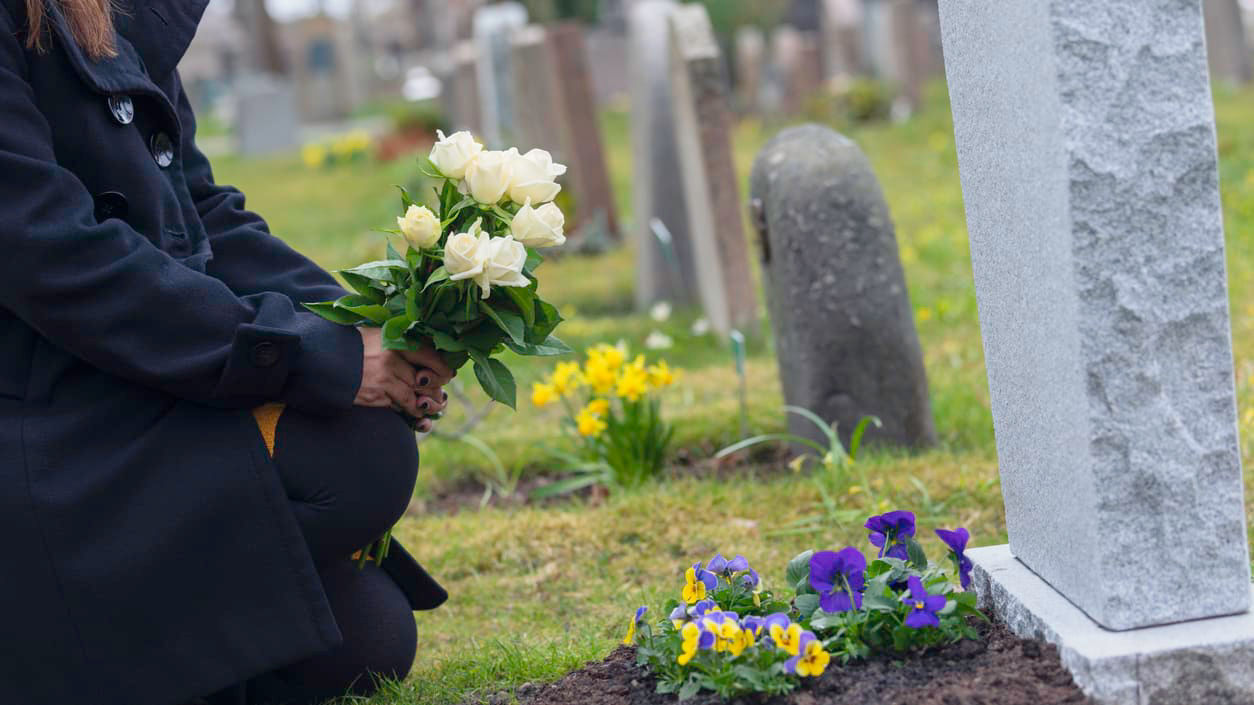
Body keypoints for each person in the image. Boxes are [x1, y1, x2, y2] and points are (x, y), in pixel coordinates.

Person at [0, 1, 452, 703]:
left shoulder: (98, 12)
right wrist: (311, 358)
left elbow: (201, 211)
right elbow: (52, 255)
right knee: (360, 458)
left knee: (367, 637)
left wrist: (369, 330)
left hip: (109, 384)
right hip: (39, 421)